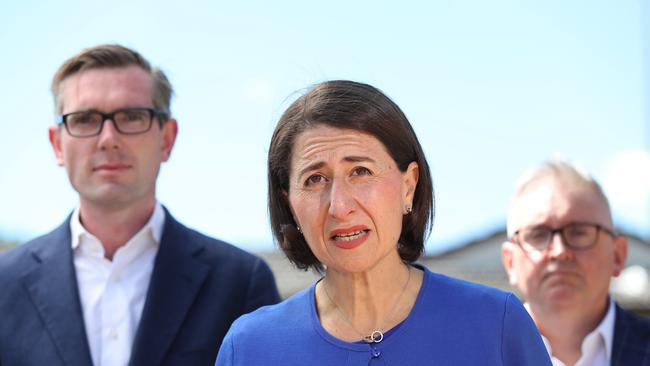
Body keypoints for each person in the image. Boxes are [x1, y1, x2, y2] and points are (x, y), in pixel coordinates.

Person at [215, 80, 551, 365]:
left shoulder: (497, 326)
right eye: (315, 179)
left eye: (360, 172)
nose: (339, 206)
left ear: (409, 186)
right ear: (289, 204)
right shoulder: (248, 349)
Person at [0, 44, 280, 365]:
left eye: (132, 117)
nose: (108, 138)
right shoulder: (4, 286)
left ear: (167, 138)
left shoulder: (240, 282)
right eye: (85, 119)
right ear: (57, 144)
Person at [501, 159, 650, 366]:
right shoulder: (475, 354)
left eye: (578, 232)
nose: (560, 252)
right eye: (538, 234)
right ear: (510, 262)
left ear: (618, 255)